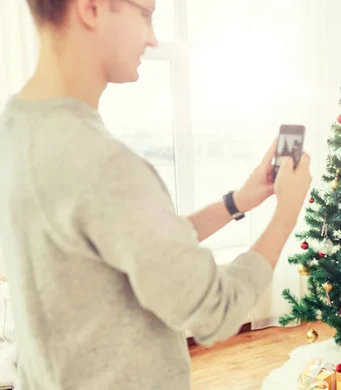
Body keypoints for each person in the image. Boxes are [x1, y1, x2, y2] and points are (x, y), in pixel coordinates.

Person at [0, 0, 312, 389]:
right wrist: (287, 212)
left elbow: (135, 243)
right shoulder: (101, 163)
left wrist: (238, 201)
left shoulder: (16, 126)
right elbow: (215, 309)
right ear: (92, 8)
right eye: (146, 13)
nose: (152, 37)